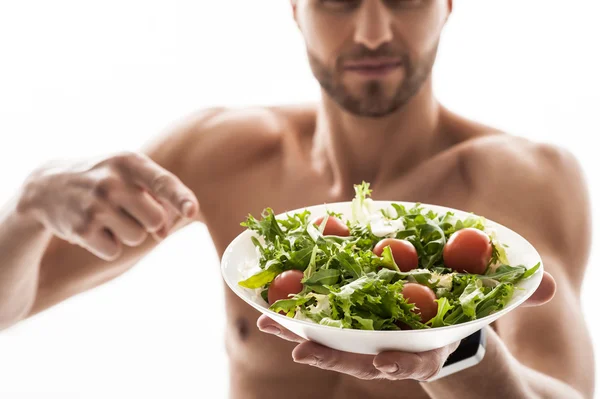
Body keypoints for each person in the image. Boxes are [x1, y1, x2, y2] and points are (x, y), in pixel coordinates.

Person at [0, 0, 594, 398]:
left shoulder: (520, 179)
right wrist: (29, 205)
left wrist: (465, 351)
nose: (372, 32)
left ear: (448, 4)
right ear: (294, 7)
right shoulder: (220, 153)